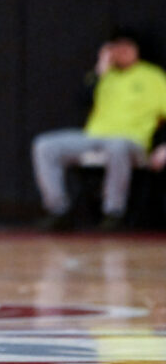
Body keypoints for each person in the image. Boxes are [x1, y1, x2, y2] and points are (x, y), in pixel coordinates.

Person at [33, 28, 166, 231]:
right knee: (45, 145)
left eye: (126, 47)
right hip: (94, 137)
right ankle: (57, 210)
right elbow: (81, 100)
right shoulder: (103, 75)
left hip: (132, 141)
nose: (121, 52)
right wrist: (99, 70)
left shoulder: (153, 77)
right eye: (116, 47)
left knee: (117, 146)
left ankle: (113, 212)